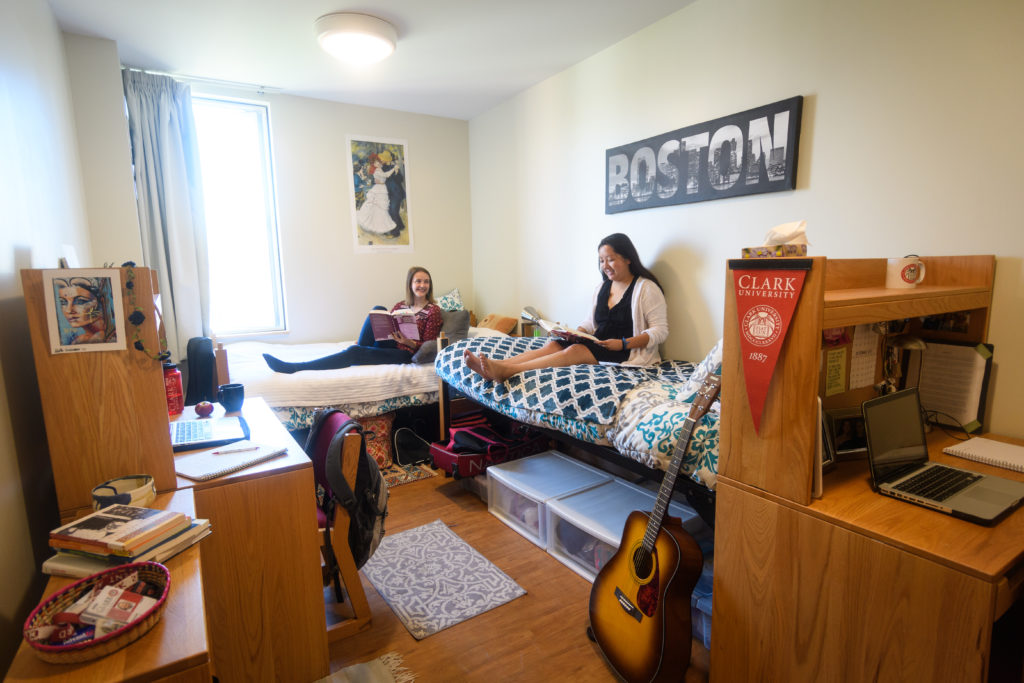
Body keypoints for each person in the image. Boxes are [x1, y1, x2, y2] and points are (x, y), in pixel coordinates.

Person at [465, 233, 668, 382]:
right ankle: (498, 365)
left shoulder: (646, 289)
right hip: (600, 344)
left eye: (611, 259)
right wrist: (576, 332)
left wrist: (623, 344)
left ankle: (506, 371)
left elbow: (660, 331)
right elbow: (590, 322)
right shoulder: (602, 287)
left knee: (575, 351)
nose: (605, 265)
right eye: (601, 261)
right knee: (553, 345)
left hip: (625, 352)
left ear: (627, 258)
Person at [263, 267, 443, 374]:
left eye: (426, 282)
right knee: (379, 310)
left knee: (354, 353)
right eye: (418, 281)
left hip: (406, 353)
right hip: (391, 345)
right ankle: (360, 347)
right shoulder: (401, 305)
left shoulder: (433, 310)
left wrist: (408, 342)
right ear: (410, 284)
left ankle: (295, 368)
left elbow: (428, 347)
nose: (422, 285)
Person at [54, 276, 117, 345]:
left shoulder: (111, 336)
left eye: (80, 301)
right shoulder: (80, 340)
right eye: (63, 302)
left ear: (101, 302)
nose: (68, 310)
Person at [355, 153, 400, 237]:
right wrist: (394, 168)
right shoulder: (377, 170)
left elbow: (384, 177)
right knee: (379, 209)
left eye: (379, 162)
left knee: (382, 209)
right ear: (373, 164)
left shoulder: (380, 169)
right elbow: (386, 175)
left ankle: (383, 228)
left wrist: (394, 167)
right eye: (376, 163)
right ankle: (381, 228)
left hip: (382, 189)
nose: (378, 164)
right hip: (379, 190)